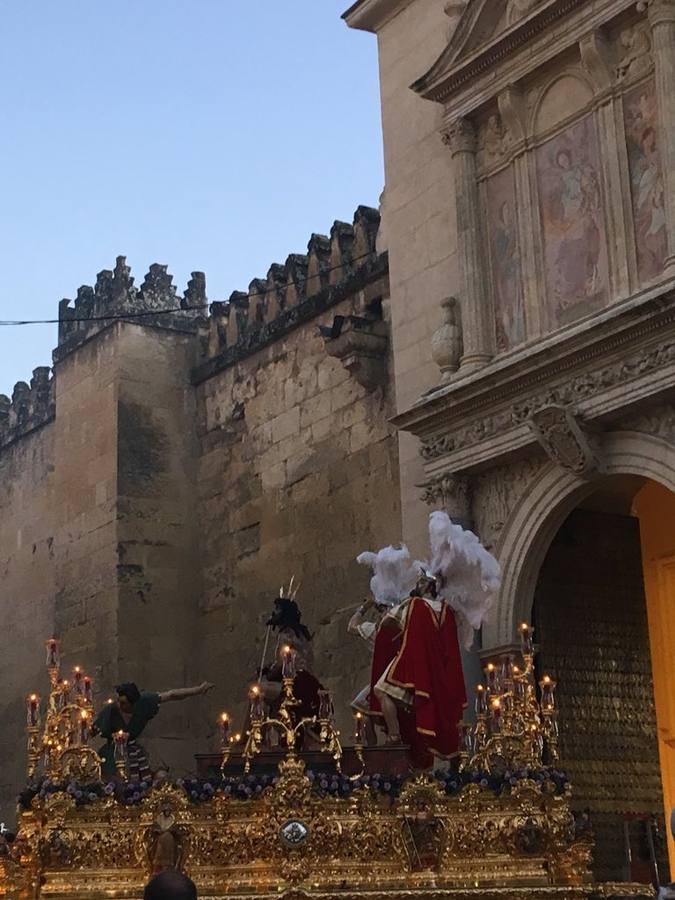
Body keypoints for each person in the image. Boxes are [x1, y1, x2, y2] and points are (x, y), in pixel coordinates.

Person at [92, 680, 214, 780]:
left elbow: (171, 695)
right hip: (112, 752)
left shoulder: (144, 702)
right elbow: (92, 730)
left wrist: (198, 690)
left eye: (123, 703)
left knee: (159, 775)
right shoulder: (111, 710)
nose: (119, 705)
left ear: (133, 703)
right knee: (115, 780)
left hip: (134, 751)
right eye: (118, 701)